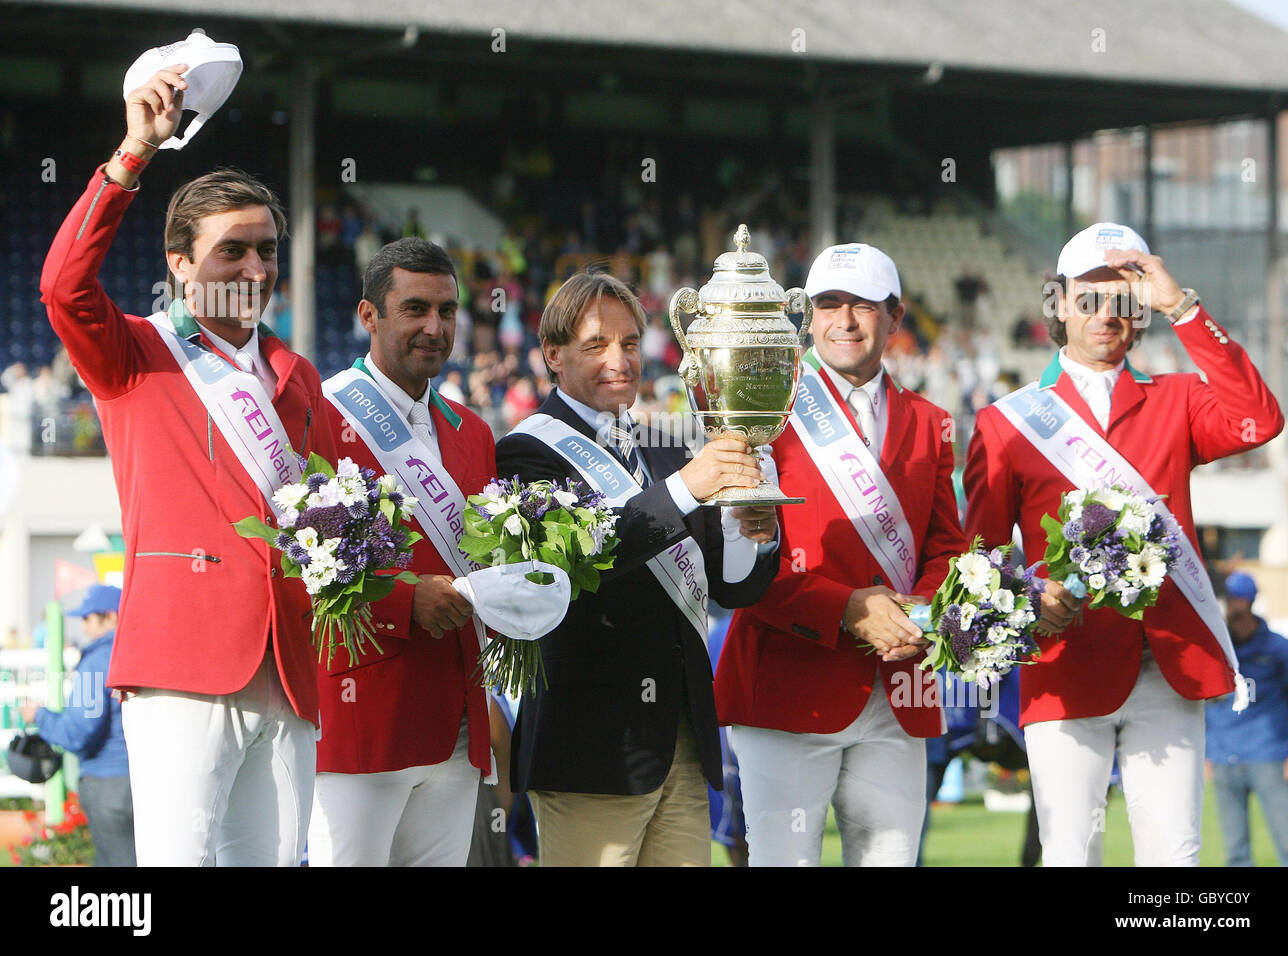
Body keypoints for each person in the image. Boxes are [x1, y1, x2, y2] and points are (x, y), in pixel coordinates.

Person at [40, 65, 335, 866]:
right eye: (230, 251)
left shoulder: (298, 376)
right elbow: (63, 290)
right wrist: (135, 152)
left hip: (289, 663)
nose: (253, 270)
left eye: (266, 251)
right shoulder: (133, 353)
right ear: (178, 263)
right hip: (181, 661)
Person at [963, 222, 1285, 866]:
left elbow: (1259, 419)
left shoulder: (1179, 398)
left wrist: (1184, 309)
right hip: (1063, 665)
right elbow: (980, 562)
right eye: (1089, 295)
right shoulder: (1006, 422)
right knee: (1070, 855)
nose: (1107, 311)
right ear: (1058, 303)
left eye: (1125, 296)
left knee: (1175, 860)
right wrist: (1033, 594)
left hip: (1169, 665)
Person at [494, 271, 780, 866]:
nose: (619, 360)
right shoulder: (525, 451)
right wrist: (684, 490)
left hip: (683, 734)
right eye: (596, 344)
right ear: (554, 354)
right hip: (592, 747)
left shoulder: (668, 445)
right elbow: (566, 573)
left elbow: (735, 586)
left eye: (629, 343)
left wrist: (753, 528)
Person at [714, 242, 966, 866]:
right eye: (828, 304)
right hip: (787, 683)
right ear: (807, 314)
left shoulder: (930, 421)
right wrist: (851, 611)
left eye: (864, 306)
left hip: (899, 682)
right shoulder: (757, 408)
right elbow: (738, 560)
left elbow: (946, 547)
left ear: (896, 317)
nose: (845, 321)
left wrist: (921, 616)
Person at [308, 238, 495, 866]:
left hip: (458, 719)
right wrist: (401, 598)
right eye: (415, 309)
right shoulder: (319, 415)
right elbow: (293, 559)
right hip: (362, 713)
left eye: (447, 311)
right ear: (369, 316)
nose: (434, 328)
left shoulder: (474, 434)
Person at [23, 584, 134, 866]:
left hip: (108, 782)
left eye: (88, 619)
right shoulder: (141, 653)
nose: (84, 629)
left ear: (110, 617)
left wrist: (39, 716)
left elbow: (79, 732)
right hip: (144, 780)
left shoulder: (96, 661)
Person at [1205, 571, 1288, 867]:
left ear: (1246, 602)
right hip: (1223, 759)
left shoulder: (1279, 648)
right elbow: (1202, 701)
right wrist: (1207, 751)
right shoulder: (1216, 650)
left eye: (1234, 600)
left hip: (1269, 757)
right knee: (1235, 852)